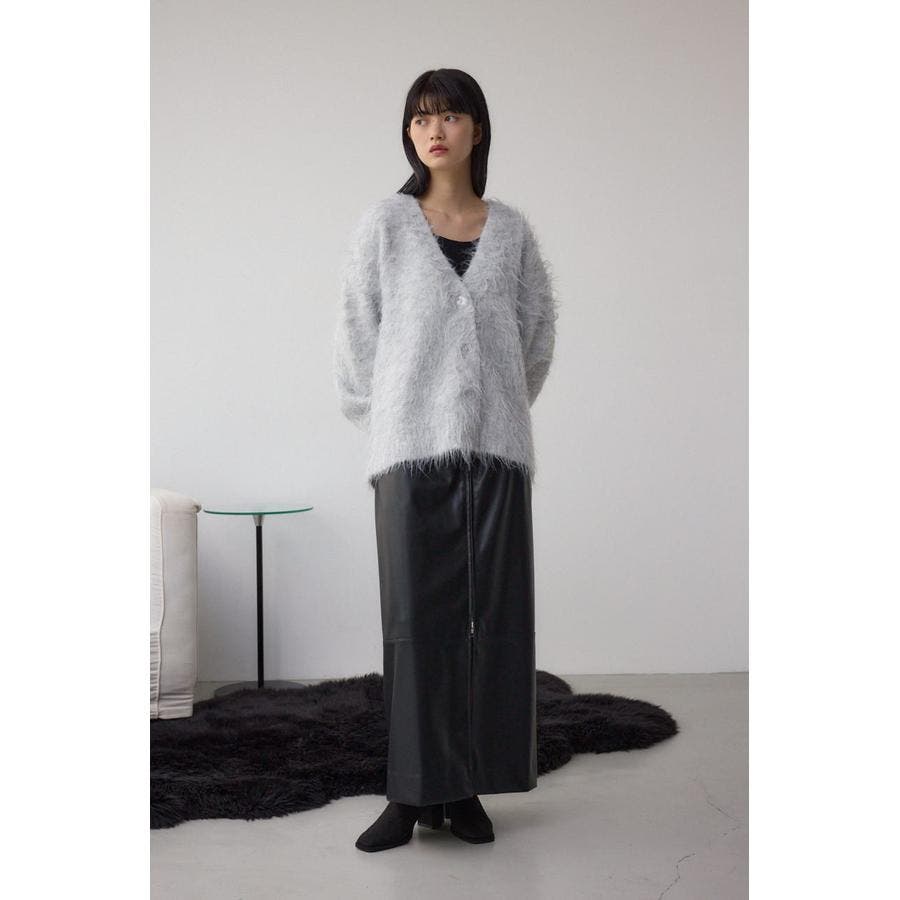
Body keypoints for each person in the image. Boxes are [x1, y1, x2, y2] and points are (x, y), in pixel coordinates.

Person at [333, 68, 558, 852]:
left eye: (452, 115)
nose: (436, 129)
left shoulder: (512, 231)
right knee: (414, 624)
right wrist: (391, 418)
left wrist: (498, 406)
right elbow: (357, 337)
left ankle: (465, 790)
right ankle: (409, 793)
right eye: (422, 117)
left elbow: (535, 339)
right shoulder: (386, 225)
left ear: (477, 130)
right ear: (409, 132)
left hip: (497, 450)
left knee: (493, 623)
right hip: (408, 450)